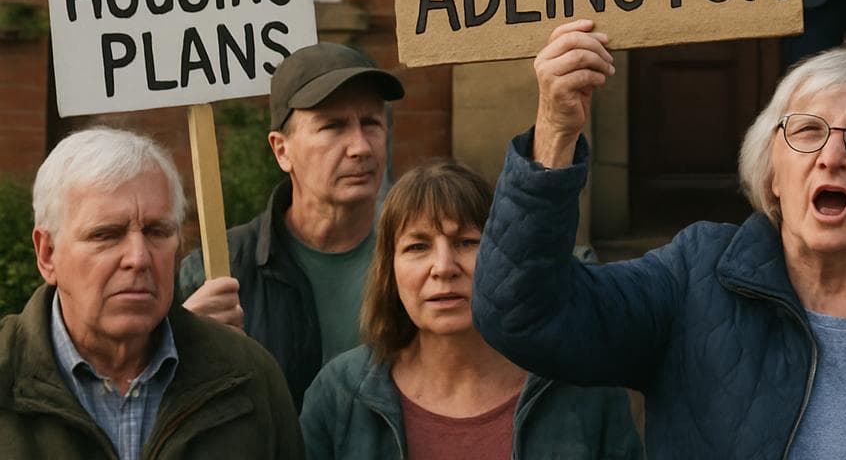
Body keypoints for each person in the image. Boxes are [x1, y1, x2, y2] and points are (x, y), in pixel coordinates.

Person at [473, 19, 846, 458]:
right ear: (772, 171)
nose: (832, 156)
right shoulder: (692, 280)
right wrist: (554, 131)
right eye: (807, 132)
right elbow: (521, 315)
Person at [301, 159, 641, 459]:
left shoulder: (585, 389)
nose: (443, 267)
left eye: (466, 242)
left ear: (501, 257)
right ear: (389, 271)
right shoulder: (340, 394)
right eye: (418, 246)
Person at [0, 127, 301, 458]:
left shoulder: (249, 377)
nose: (139, 258)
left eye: (157, 231)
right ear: (47, 254)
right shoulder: (8, 373)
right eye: (106, 235)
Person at [179, 41, 405, 408]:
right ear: (281, 150)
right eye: (333, 127)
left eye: (371, 123)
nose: (360, 147)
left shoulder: (420, 256)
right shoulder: (221, 270)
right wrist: (179, 345)